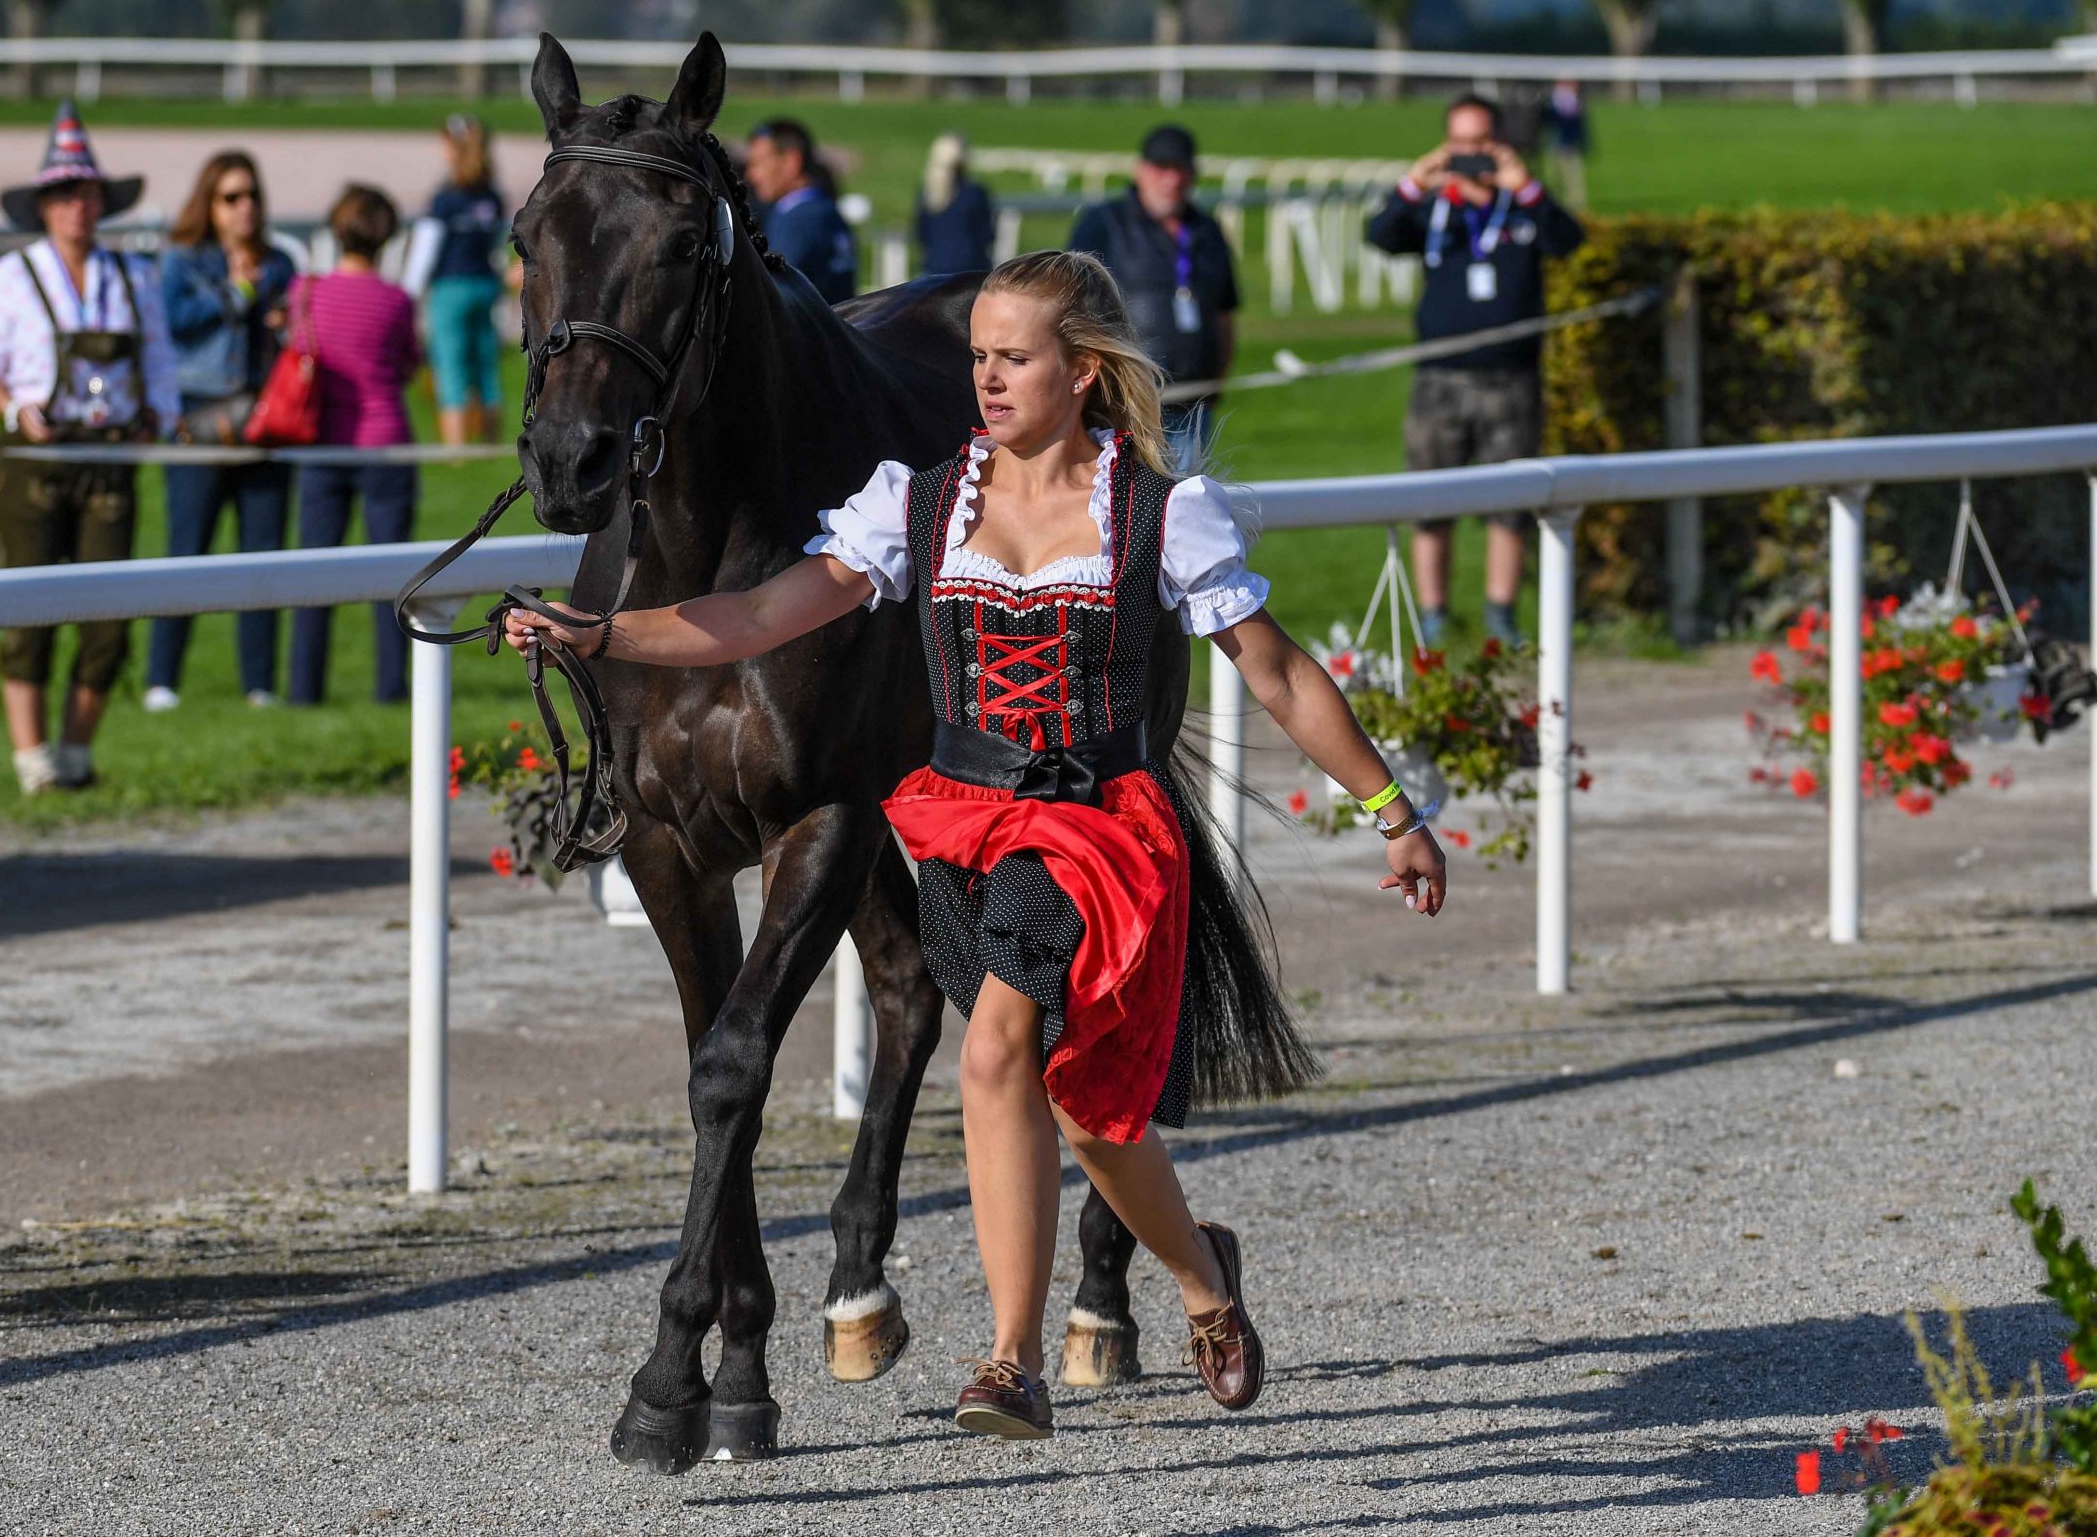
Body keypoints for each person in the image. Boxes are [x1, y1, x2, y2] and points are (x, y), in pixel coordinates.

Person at [504, 249, 1444, 1443]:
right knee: (1088, 1113)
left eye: (1013, 359)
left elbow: (1277, 669)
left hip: (1094, 830)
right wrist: (602, 632)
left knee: (996, 1052)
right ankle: (1203, 1273)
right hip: (955, 827)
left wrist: (1391, 813)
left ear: (1084, 371)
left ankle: (1007, 1361)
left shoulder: (1157, 512)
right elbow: (759, 615)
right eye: (978, 358)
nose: (985, 381)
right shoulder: (917, 499)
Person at [0, 103, 179, 796]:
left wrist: (157, 417)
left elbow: (162, 367)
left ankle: (78, 757)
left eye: (84, 194)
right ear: (44, 207)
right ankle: (32, 762)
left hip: (110, 458)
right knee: (28, 612)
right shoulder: (8, 278)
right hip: (33, 461)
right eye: (62, 195)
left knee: (107, 616)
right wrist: (16, 408)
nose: (75, 207)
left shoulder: (135, 276)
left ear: (100, 203)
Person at [1363, 92, 1586, 645]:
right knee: (1430, 500)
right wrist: (1415, 182)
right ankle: (1434, 617)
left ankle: (1500, 617)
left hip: (1512, 378)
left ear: (1501, 142)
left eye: (1480, 142)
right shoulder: (1433, 209)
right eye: (1458, 143)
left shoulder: (1523, 204)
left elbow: (1569, 241)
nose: (1470, 155)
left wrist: (1525, 186)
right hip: (1440, 378)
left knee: (1510, 503)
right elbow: (1381, 235)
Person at [146, 149, 297, 713]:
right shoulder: (183, 261)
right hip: (198, 424)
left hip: (263, 426)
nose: (245, 208)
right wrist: (235, 293)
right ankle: (162, 680)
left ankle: (260, 683)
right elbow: (171, 325)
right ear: (208, 203)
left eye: (252, 195)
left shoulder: (279, 262)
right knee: (187, 555)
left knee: (263, 562)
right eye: (231, 197)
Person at [289, 185, 422, 706]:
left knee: (313, 577)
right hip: (387, 443)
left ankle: (304, 690)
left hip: (323, 444)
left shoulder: (307, 292)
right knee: (392, 580)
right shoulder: (396, 300)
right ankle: (392, 689)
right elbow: (408, 363)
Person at [1067, 124, 1239, 473]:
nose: (1172, 181)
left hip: (1194, 406)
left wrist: (1218, 377)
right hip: (1128, 406)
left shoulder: (1208, 231)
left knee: (1184, 510)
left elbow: (1224, 311)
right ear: (1140, 170)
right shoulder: (1104, 224)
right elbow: (1071, 308)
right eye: (1162, 169)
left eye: (1180, 170)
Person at [402, 113, 506, 446]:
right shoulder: (491, 196)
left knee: (451, 370)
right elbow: (497, 246)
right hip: (485, 286)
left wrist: (408, 296)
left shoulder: (445, 199)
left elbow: (425, 253)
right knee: (485, 368)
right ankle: (491, 443)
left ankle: (456, 449)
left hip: (450, 288)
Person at [742, 117, 857, 305]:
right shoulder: (824, 207)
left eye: (758, 163)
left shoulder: (796, 218)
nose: (751, 175)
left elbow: (773, 294)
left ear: (790, 162)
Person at [914, 131, 996, 275]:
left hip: (934, 268)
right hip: (971, 270)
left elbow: (921, 234)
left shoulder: (926, 193)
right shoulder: (975, 193)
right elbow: (987, 233)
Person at [1540, 78, 1590, 212]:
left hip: (1570, 143)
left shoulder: (1575, 102)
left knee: (1573, 178)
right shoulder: (1553, 101)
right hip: (1555, 144)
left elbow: (1582, 126)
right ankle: (1552, 204)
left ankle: (1576, 207)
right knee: (1553, 177)